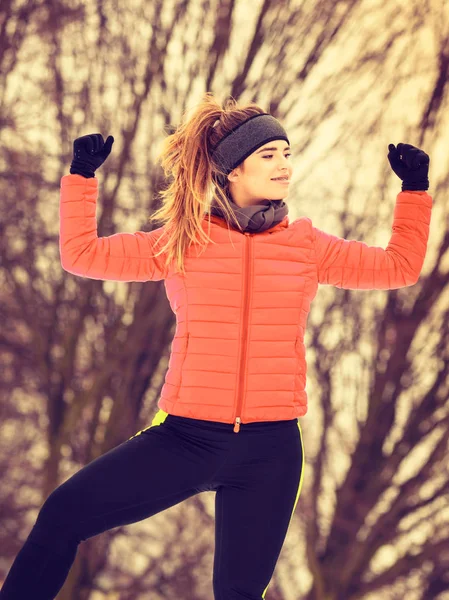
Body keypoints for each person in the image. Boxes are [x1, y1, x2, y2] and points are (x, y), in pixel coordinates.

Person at [0, 93, 432, 600]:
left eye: (287, 153)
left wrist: (414, 190)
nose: (284, 165)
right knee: (63, 513)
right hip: (185, 440)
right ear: (232, 170)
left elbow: (398, 267)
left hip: (269, 453)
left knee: (239, 593)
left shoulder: (306, 246)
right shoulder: (184, 240)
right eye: (269, 155)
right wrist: (81, 178)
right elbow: (82, 255)